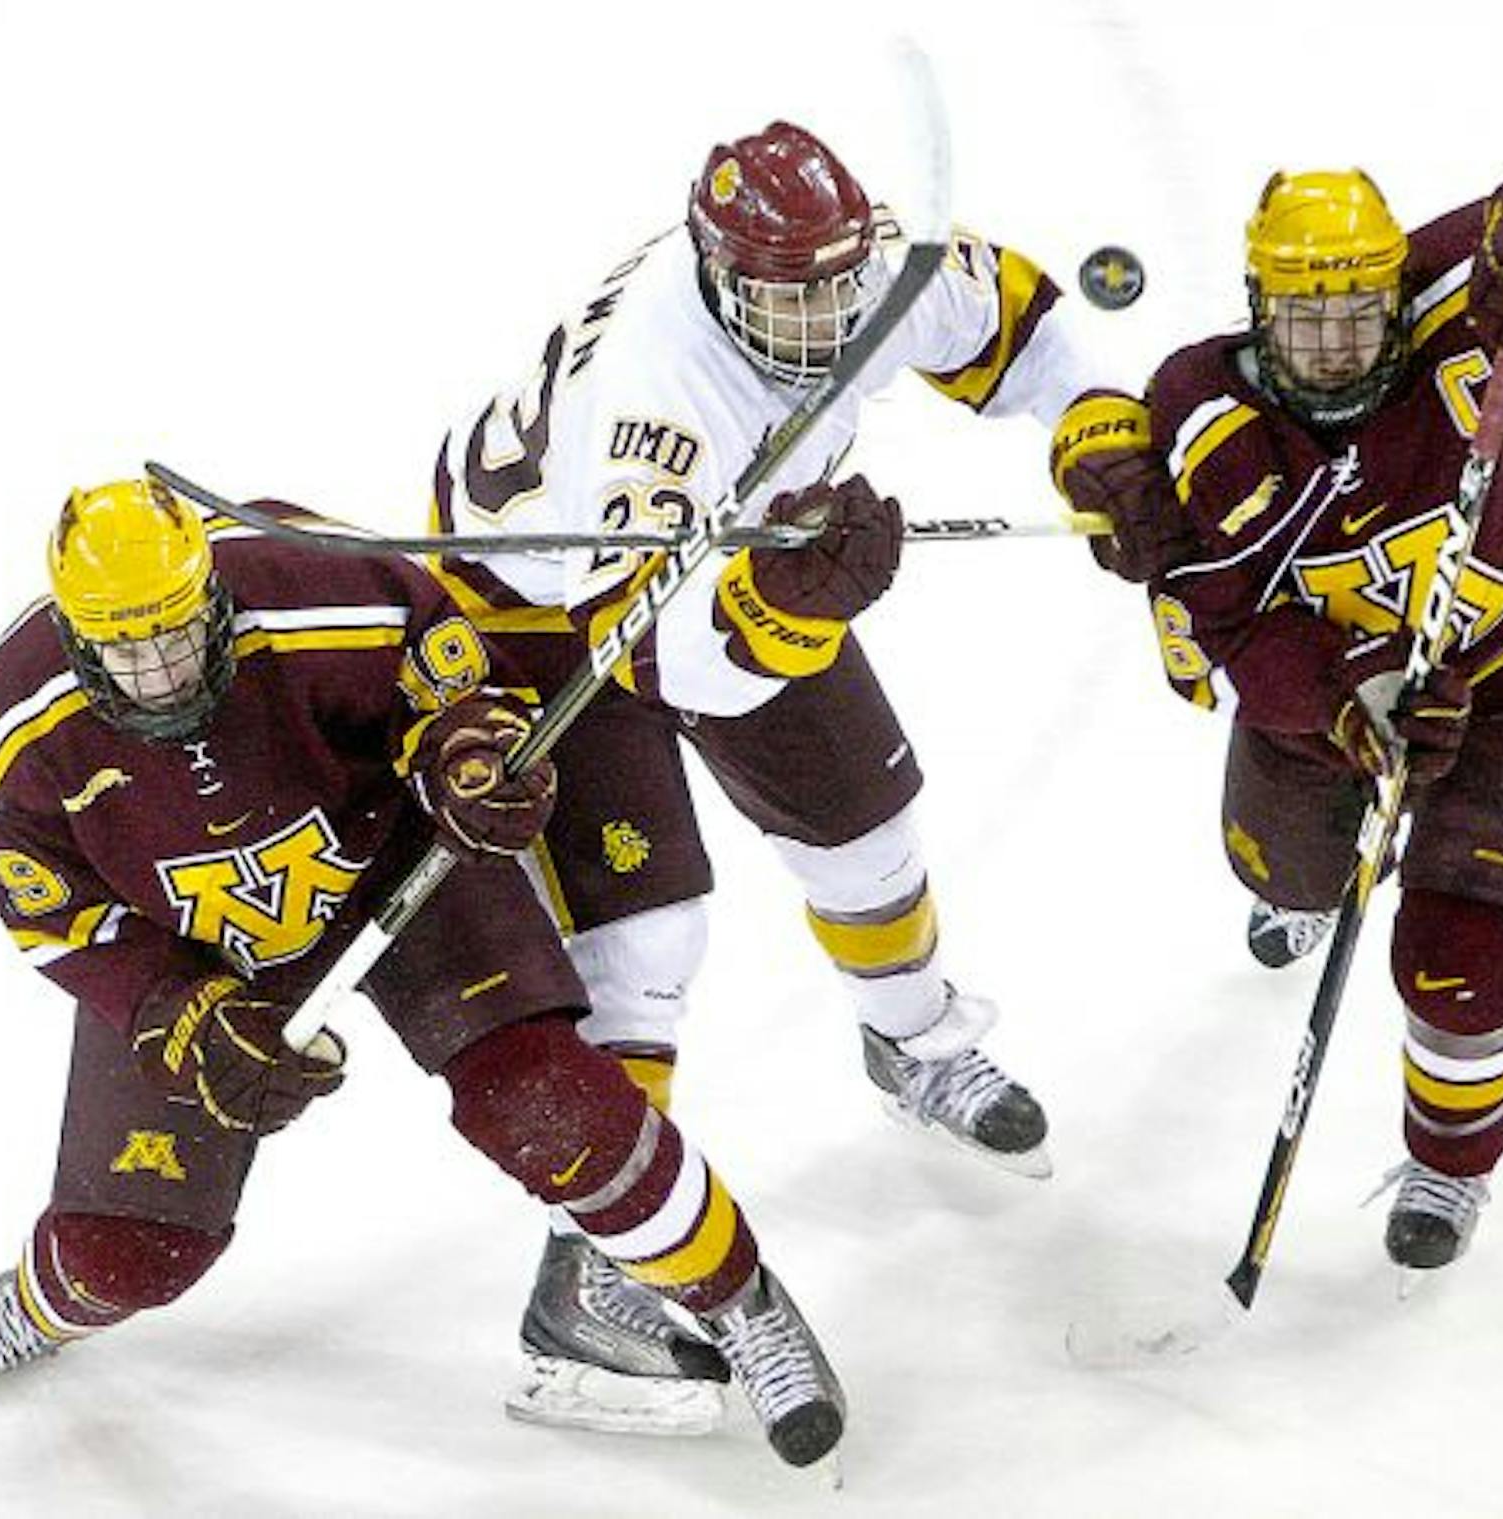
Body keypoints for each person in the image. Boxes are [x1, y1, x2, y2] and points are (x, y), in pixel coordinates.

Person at [0, 477, 848, 1470]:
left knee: (543, 1101)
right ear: (78, 638)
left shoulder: (322, 588)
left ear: (209, 593)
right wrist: (183, 1014)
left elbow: (459, 686)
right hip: (200, 944)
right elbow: (59, 921)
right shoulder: (9, 726)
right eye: (126, 649)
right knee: (125, 1251)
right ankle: (41, 1301)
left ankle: (742, 1300)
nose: (161, 669)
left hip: (391, 857)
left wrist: (467, 758)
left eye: (177, 632)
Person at [413, 118, 1119, 1428]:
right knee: (647, 933)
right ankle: (597, 1273)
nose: (818, 315)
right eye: (783, 293)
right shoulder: (657, 396)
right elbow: (664, 658)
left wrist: (1099, 434)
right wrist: (788, 606)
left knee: (865, 823)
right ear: (718, 269)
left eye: (833, 285)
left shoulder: (870, 265)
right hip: (540, 600)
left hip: (740, 556)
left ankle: (913, 1041)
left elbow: (1018, 323)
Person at [1064, 145, 1503, 1269]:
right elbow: (1226, 631)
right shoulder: (1206, 415)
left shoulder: (1479, 298)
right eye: (1301, 322)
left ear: (1400, 288)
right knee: (1283, 870)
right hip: (1339, 693)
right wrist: (1355, 694)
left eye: (1360, 313)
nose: (1335, 346)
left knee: (1465, 962)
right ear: (1256, 308)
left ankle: (1450, 1168)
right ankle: (1299, 886)